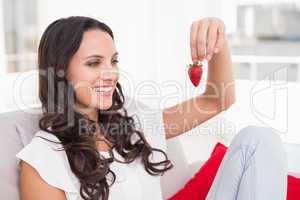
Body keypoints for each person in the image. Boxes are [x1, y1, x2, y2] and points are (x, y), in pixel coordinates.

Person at [16, 16, 287, 200]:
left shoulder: (131, 125)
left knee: (258, 140)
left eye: (113, 61)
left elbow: (218, 100)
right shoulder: (41, 161)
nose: (110, 73)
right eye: (94, 63)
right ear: (60, 70)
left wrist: (218, 41)